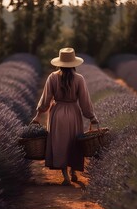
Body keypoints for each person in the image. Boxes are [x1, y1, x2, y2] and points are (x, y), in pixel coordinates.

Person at [31, 47, 98, 185]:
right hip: (73, 112)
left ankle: (65, 176)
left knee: (59, 142)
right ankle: (74, 171)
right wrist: (91, 116)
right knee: (74, 142)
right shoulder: (79, 79)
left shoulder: (52, 77)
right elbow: (85, 101)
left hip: (57, 112)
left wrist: (38, 115)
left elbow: (45, 100)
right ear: (74, 63)